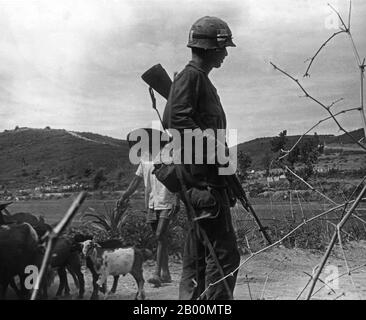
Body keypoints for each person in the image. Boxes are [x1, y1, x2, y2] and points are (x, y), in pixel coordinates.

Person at [162, 16, 241, 300]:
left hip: (206, 182)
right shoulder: (191, 77)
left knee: (197, 258)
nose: (226, 53)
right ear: (209, 48)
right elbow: (176, 119)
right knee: (224, 258)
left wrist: (226, 175)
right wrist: (213, 149)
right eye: (223, 47)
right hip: (202, 184)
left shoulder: (201, 81)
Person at [117, 129, 180, 287]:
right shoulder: (144, 160)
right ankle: (166, 274)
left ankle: (157, 273)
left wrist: (177, 201)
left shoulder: (168, 156)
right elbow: (136, 181)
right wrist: (124, 196)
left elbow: (179, 179)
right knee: (161, 238)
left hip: (167, 200)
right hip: (152, 203)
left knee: (159, 236)